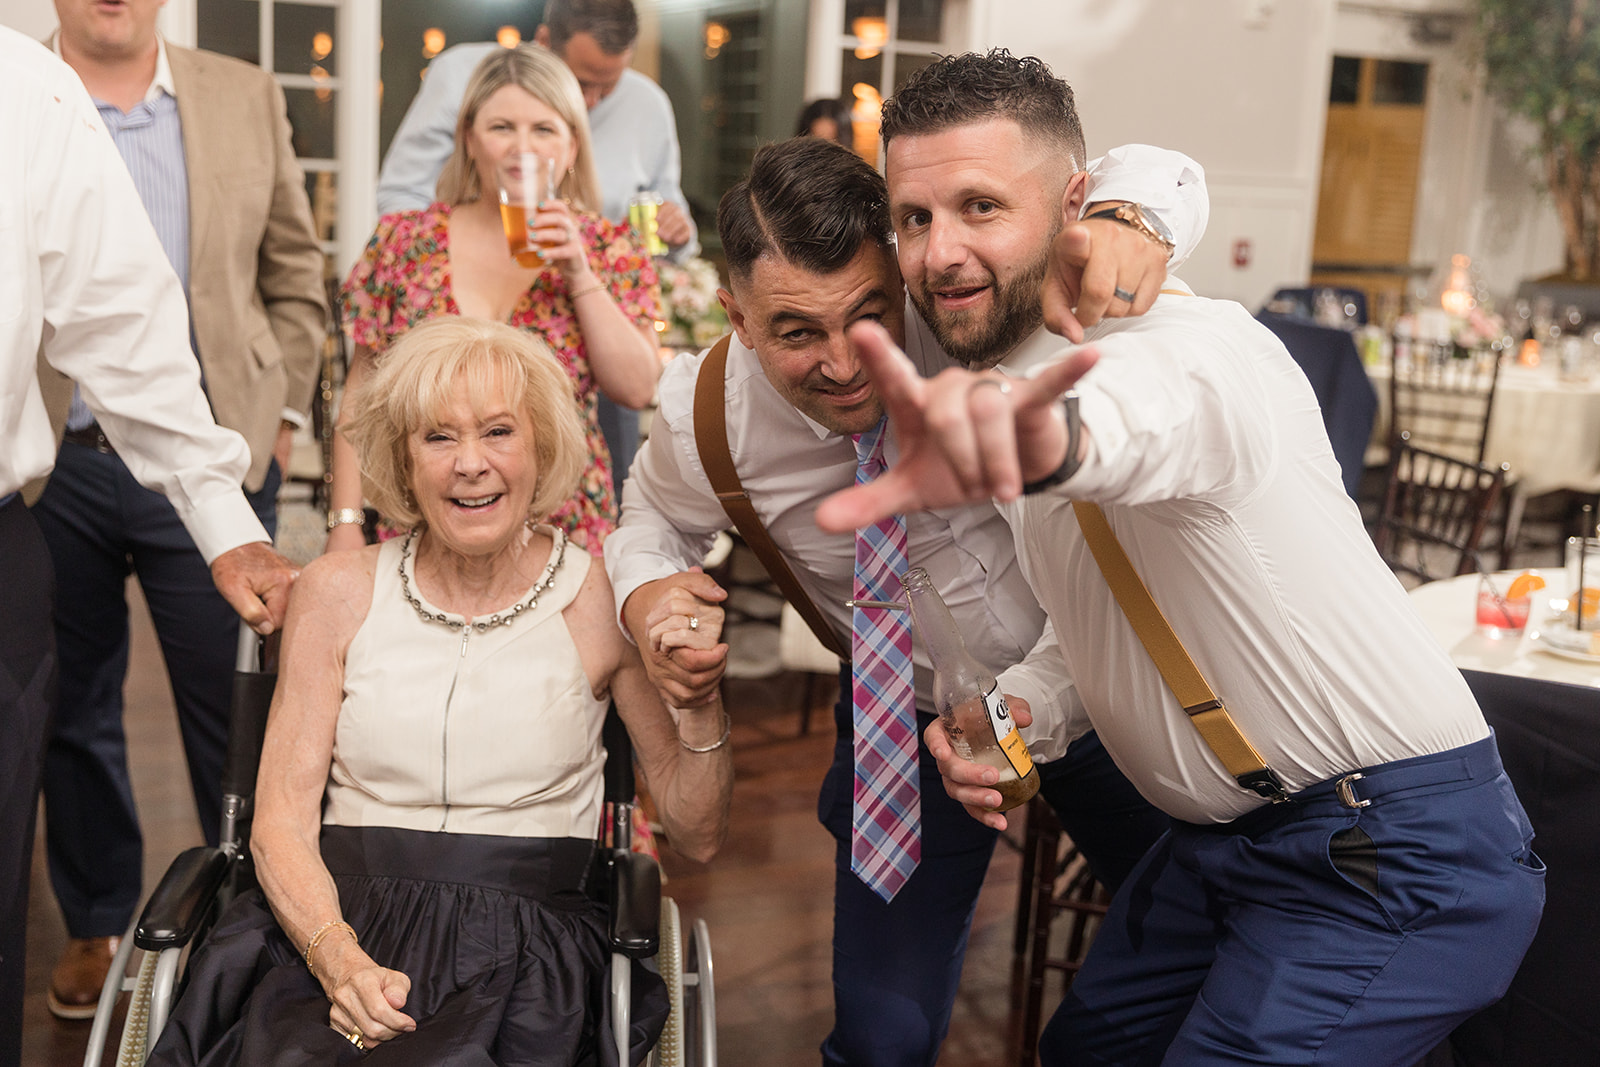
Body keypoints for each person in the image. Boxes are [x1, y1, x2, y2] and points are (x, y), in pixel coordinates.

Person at [817, 50, 1545, 1066]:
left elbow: (1132, 419)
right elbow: (1111, 612)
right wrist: (1032, 699)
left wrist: (1037, 436)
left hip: (1389, 849)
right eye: (914, 218)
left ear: (1075, 202)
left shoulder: (1197, 351)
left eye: (981, 206)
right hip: (1226, 850)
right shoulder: (1012, 365)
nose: (938, 253)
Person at [604, 134, 1205, 1066]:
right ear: (738, 316)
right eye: (798, 331)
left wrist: (1130, 220)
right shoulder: (705, 417)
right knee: (882, 1039)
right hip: (908, 723)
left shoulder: (981, 316)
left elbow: (1144, 169)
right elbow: (649, 517)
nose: (847, 364)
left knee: (1199, 937)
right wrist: (647, 596)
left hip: (1100, 687)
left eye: (870, 316)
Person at [147, 316, 733, 1065]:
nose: (470, 464)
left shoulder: (600, 597)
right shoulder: (336, 590)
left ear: (541, 447)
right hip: (330, 925)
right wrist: (339, 961)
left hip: (530, 950)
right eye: (438, 437)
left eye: (497, 431)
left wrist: (698, 703)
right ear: (402, 457)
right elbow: (281, 825)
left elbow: (698, 831)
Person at [0, 27, 298, 1066]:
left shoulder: (24, 90)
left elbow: (136, 313)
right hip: (64, 468)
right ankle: (93, 916)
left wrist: (234, 482)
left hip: (160, 459)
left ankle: (256, 924)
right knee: (79, 714)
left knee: (229, 698)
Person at [333, 43, 661, 557]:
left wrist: (578, 272)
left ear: (572, 146)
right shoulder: (405, 241)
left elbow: (638, 388)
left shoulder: (608, 247)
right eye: (501, 127)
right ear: (468, 138)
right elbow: (359, 394)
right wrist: (345, 521)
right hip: (424, 524)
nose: (522, 149)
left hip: (564, 531)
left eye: (544, 129)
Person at [377, 0, 693, 485]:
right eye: (583, 81)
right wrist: (455, 248)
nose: (593, 99)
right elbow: (401, 193)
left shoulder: (648, 105)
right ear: (545, 42)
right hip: (464, 322)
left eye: (609, 84)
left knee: (591, 464)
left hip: (593, 331)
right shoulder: (463, 73)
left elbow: (660, 206)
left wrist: (666, 235)